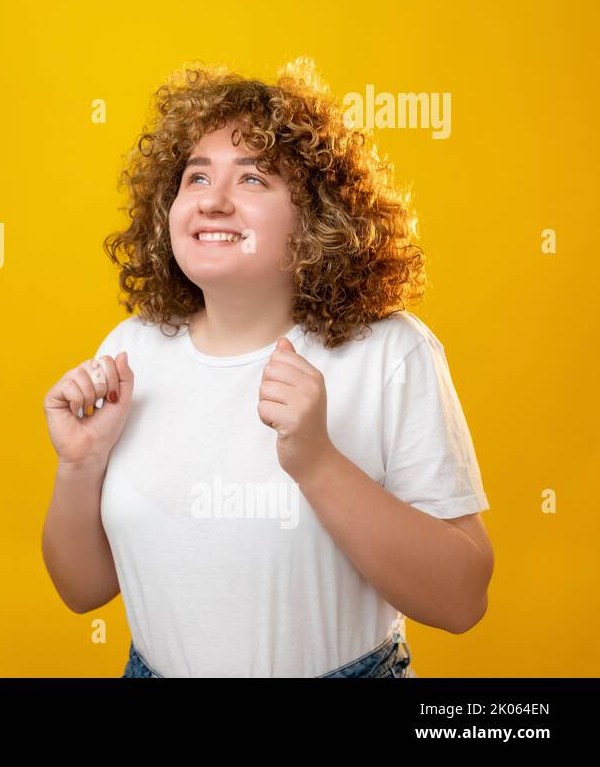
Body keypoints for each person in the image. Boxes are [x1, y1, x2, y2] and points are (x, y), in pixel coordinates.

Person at [40, 59, 493, 678]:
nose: (214, 202)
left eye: (253, 181)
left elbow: (462, 598)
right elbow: (82, 590)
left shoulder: (390, 352)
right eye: (196, 178)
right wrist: (80, 464)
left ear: (316, 217)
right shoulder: (133, 349)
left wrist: (318, 463)